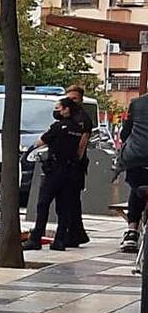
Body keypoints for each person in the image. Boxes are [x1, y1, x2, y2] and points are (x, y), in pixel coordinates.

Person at [23, 98, 85, 251]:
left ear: (66, 110)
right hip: (70, 172)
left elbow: (41, 141)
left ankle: (35, 238)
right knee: (63, 209)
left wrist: (29, 150)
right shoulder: (77, 129)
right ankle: (60, 240)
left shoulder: (58, 127)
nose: (56, 111)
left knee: (43, 204)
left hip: (54, 171)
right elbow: (78, 150)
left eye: (58, 108)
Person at [63, 85, 93, 248]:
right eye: (69, 98)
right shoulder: (69, 116)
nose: (71, 101)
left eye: (74, 98)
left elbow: (83, 142)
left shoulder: (82, 118)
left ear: (81, 100)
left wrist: (75, 161)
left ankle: (75, 233)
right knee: (70, 201)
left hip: (75, 165)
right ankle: (76, 233)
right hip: (68, 163)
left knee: (72, 199)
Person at [119, 93, 148, 252]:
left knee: (137, 189)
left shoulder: (136, 103)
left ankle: (132, 231)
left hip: (137, 158)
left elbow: (124, 134)